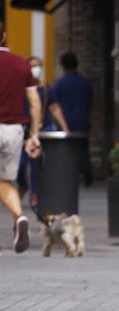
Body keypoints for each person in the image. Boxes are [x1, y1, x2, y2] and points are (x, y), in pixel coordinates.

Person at [0, 23, 43, 253]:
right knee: (5, 182)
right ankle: (19, 217)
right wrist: (34, 135)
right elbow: (35, 102)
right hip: (14, 130)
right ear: (4, 36)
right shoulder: (21, 64)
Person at [16, 56, 67, 209]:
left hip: (40, 130)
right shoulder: (20, 88)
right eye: (32, 66)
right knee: (20, 164)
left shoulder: (46, 89)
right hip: (22, 130)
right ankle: (23, 185)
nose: (35, 69)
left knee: (35, 163)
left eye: (38, 66)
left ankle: (35, 193)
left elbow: (55, 108)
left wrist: (65, 128)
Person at [53, 51, 93, 186]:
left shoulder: (59, 84)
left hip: (65, 122)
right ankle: (87, 175)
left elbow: (55, 105)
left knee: (65, 152)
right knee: (83, 150)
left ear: (63, 66)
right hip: (82, 120)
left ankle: (68, 177)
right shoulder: (85, 83)